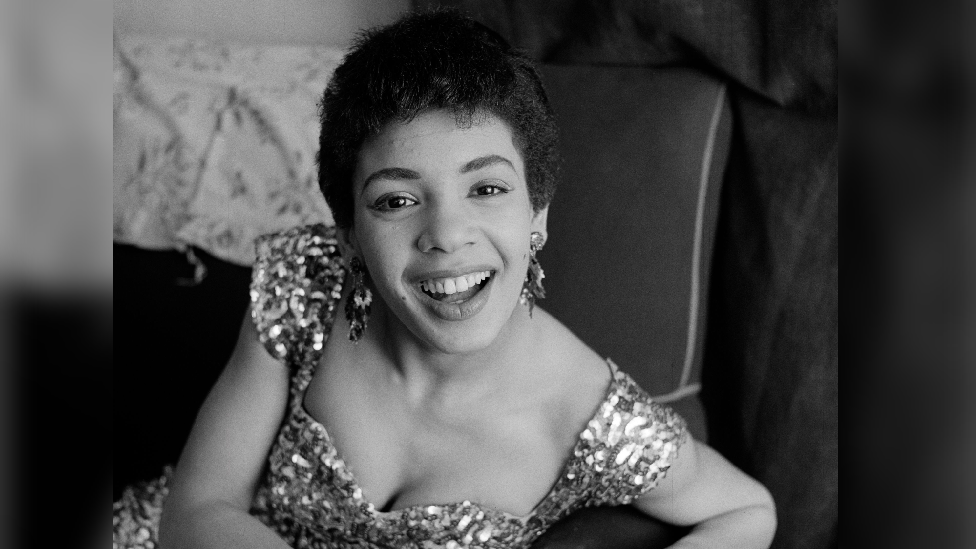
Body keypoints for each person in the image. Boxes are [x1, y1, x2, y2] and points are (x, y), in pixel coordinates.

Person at [113, 10, 776, 549]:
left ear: (536, 214)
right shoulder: (305, 284)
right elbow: (196, 509)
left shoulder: (588, 415)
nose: (446, 235)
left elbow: (748, 511)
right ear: (350, 235)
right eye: (397, 200)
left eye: (486, 187)